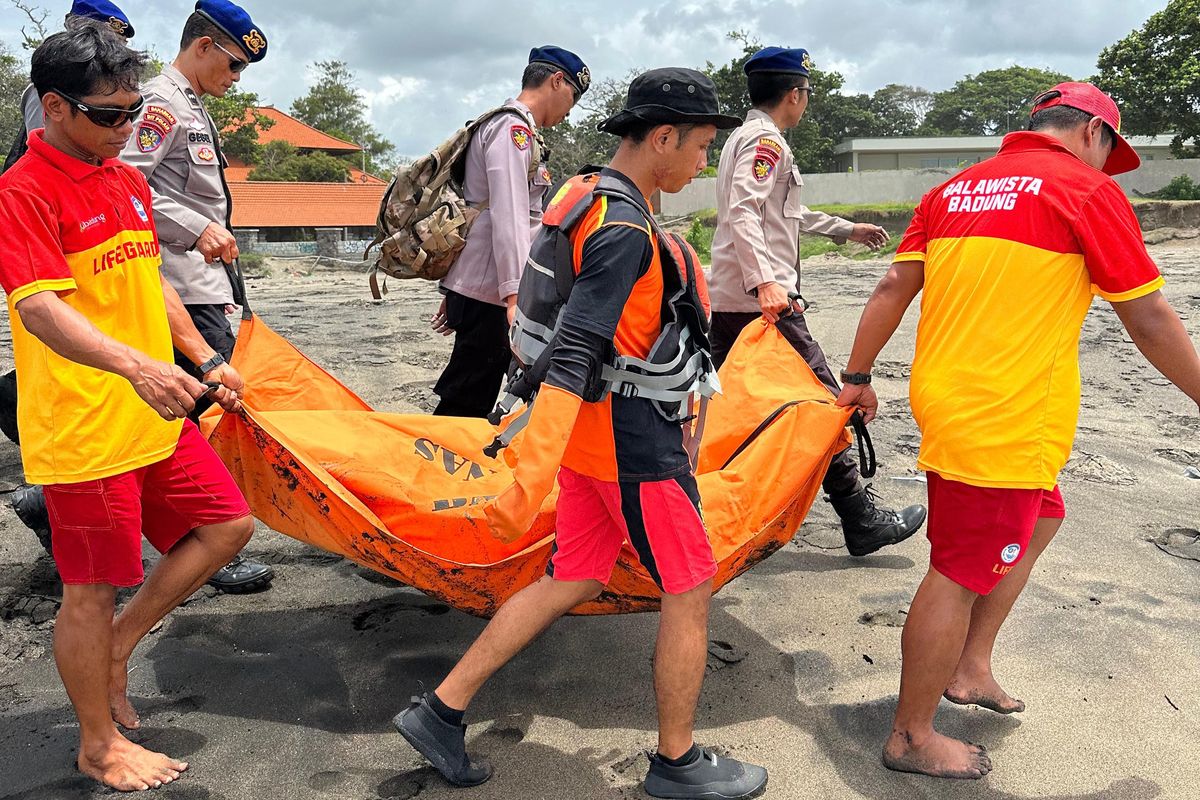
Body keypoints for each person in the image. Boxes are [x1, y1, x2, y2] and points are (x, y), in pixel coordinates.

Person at [394, 68, 769, 800]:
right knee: (690, 587)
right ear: (662, 137)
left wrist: (552, 443)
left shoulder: (581, 195)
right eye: (697, 148)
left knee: (577, 574)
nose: (701, 164)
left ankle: (441, 710)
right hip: (631, 443)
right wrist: (532, 464)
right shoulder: (626, 227)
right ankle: (677, 762)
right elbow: (579, 345)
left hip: (591, 441)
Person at [835, 82, 1200, 779]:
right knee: (958, 568)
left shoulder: (955, 190)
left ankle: (969, 665)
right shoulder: (1087, 194)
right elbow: (1148, 318)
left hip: (950, 398)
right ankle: (910, 735)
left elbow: (890, 289)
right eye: (1108, 153)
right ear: (1093, 132)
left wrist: (856, 376)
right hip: (1002, 413)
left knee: (1043, 517)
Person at [0, 23, 256, 791]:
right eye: (109, 115)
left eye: (133, 110)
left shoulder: (125, 179)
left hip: (151, 408)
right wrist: (138, 367)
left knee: (228, 524)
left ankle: (117, 646)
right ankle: (97, 742)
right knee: (89, 586)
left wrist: (204, 357)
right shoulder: (22, 192)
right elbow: (42, 309)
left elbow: (155, 282)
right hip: (84, 423)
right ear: (53, 106)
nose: (127, 128)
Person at [708, 46, 925, 557]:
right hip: (765, 302)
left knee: (729, 407)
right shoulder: (765, 141)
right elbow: (743, 210)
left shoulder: (745, 138)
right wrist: (765, 282)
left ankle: (713, 511)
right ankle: (860, 516)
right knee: (824, 401)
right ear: (794, 94)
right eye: (807, 92)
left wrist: (846, 229)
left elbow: (785, 213)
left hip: (732, 298)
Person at [119, 0, 273, 592]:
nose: (235, 80)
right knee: (205, 407)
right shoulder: (161, 103)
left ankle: (51, 502)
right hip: (177, 282)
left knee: (184, 411)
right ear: (203, 46)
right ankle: (212, 542)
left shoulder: (190, 106)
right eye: (233, 66)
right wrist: (196, 226)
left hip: (202, 281)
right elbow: (126, 185)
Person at [431, 46, 588, 418]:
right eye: (573, 98)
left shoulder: (518, 129)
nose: (569, 112)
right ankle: (436, 469)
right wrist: (516, 296)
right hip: (495, 294)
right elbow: (510, 216)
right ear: (556, 81)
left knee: (487, 389)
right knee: (469, 399)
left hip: (486, 288)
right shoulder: (512, 129)